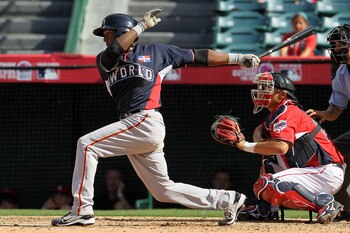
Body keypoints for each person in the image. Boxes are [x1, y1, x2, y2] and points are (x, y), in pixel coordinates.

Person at [51, 8, 260, 227]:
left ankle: (82, 210)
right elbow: (115, 48)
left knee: (86, 145)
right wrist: (141, 25)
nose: (104, 37)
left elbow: (199, 56)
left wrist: (238, 58)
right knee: (163, 191)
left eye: (108, 32)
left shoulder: (157, 52)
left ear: (122, 31)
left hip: (145, 120)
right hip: (132, 125)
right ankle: (228, 200)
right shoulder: (105, 60)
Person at [229, 72, 345, 224]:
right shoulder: (277, 114)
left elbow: (281, 147)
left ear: (282, 94)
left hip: (325, 172)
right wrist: (262, 139)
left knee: (267, 184)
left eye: (266, 88)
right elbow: (259, 130)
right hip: (311, 171)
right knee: (268, 160)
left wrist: (244, 145)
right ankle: (266, 209)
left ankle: (324, 203)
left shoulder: (288, 112)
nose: (261, 91)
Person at [306, 23, 350, 221]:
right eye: (334, 45)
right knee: (334, 153)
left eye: (341, 44)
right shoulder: (342, 74)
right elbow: (335, 111)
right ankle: (345, 206)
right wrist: (324, 113)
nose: (336, 49)